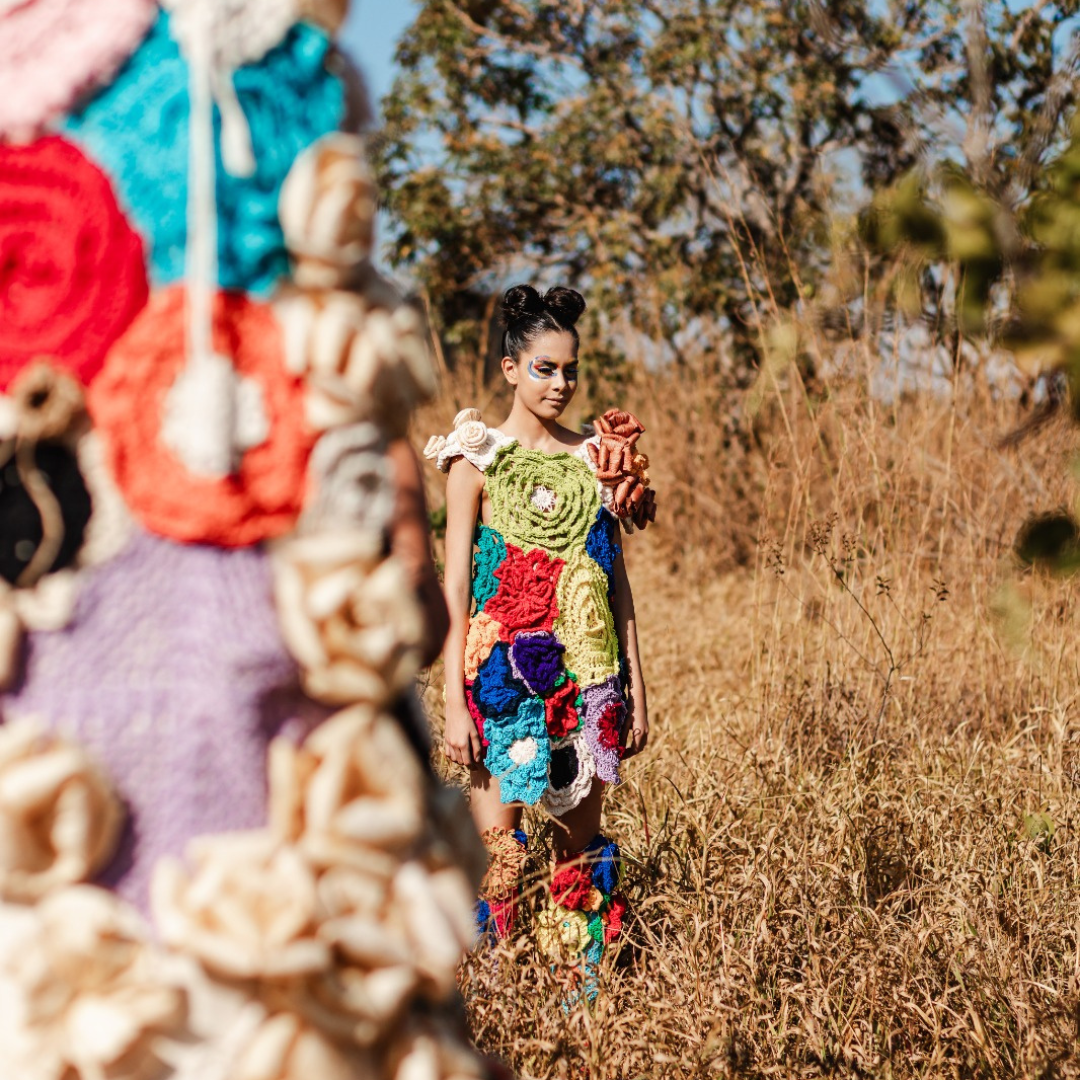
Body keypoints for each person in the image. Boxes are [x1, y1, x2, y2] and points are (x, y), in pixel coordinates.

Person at [426, 284, 657, 983]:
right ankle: (494, 1001)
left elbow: (616, 585)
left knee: (577, 855)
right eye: (543, 369)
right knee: (497, 850)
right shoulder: (475, 460)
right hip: (496, 681)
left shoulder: (597, 461)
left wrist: (635, 688)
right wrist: (451, 698)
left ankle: (573, 1001)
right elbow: (455, 587)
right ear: (509, 369)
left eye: (570, 371)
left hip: (586, 680)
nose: (560, 384)